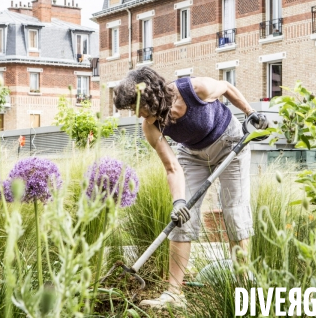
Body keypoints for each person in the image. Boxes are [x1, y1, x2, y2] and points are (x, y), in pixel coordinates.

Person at [113, 67, 268, 309]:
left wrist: (251, 113)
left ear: (151, 95)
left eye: (137, 106)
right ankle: (174, 295)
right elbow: (172, 167)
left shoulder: (193, 89)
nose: (138, 114)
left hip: (229, 143)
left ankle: (244, 285)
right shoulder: (150, 126)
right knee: (181, 218)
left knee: (234, 211)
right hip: (192, 155)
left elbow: (225, 88)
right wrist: (179, 202)